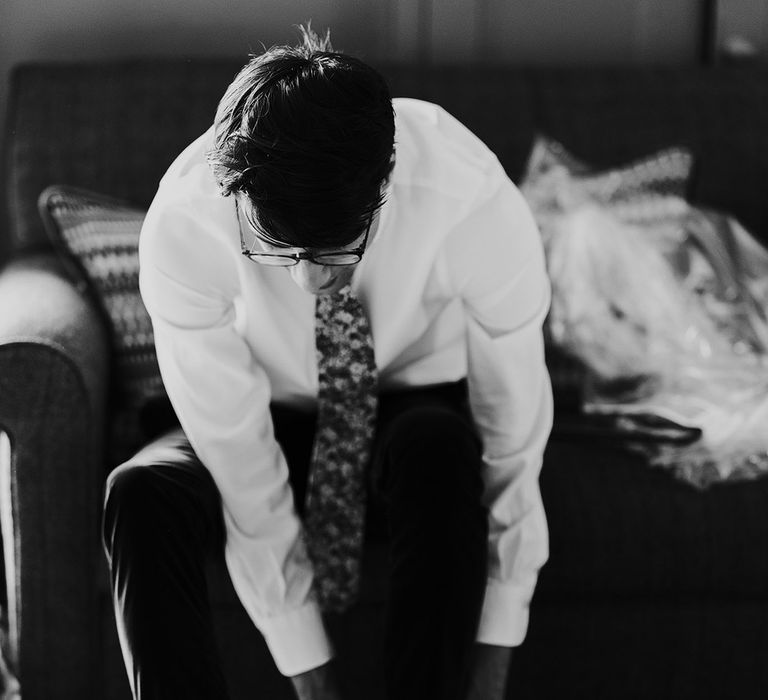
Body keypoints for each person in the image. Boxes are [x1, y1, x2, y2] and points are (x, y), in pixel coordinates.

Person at [102, 25, 553, 700]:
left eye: (338, 250)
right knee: (139, 494)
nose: (311, 282)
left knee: (442, 448)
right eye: (279, 252)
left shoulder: (472, 199)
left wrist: (492, 660)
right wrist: (313, 681)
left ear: (383, 186)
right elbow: (239, 459)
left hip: (407, 409)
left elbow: (513, 436)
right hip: (261, 405)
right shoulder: (186, 221)